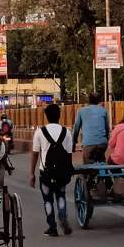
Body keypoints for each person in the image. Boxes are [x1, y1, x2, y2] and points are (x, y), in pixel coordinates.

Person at [30, 103, 73, 237]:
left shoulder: (39, 132)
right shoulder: (67, 132)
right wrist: (68, 170)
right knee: (61, 195)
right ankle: (62, 216)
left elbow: (35, 154)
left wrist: (32, 173)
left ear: (46, 116)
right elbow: (69, 154)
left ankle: (52, 227)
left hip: (46, 173)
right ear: (59, 116)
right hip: (61, 172)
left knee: (48, 200)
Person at [72, 93, 110, 163]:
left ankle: (89, 172)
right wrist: (106, 139)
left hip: (88, 143)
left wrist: (74, 143)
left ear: (88, 100)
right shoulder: (104, 111)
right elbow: (107, 128)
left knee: (88, 166)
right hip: (102, 143)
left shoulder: (81, 111)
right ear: (99, 101)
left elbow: (76, 128)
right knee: (101, 160)